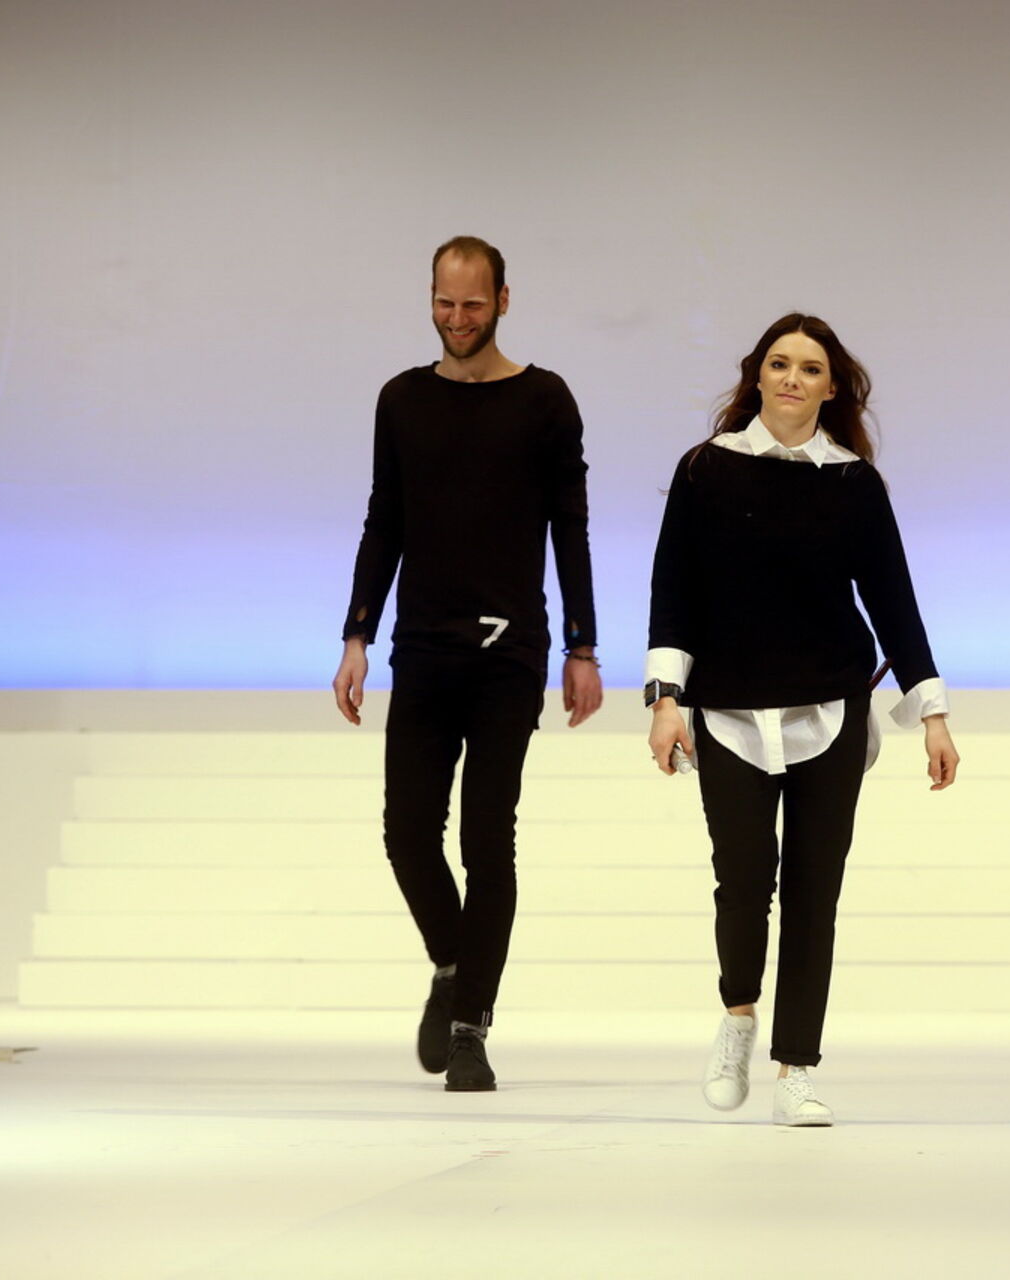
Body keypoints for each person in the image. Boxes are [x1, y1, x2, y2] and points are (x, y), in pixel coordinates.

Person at [645, 312, 959, 1126]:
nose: (792, 378)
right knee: (743, 881)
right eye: (780, 363)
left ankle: (797, 1066)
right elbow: (673, 591)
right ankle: (738, 1018)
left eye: (810, 368)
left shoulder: (853, 483)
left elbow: (893, 601)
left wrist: (931, 713)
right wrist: (664, 701)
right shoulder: (705, 470)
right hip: (727, 711)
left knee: (816, 893)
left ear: (832, 388)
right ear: (757, 374)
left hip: (830, 707)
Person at [334, 235, 603, 1093]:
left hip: (508, 653)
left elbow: (570, 528)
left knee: (489, 840)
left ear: (504, 302)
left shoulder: (545, 400)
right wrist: (356, 635)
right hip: (421, 647)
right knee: (407, 833)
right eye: (444, 303)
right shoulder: (402, 400)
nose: (457, 319)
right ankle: (454, 964)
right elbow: (385, 520)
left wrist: (584, 647)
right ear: (430, 299)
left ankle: (469, 1029)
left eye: (473, 304)